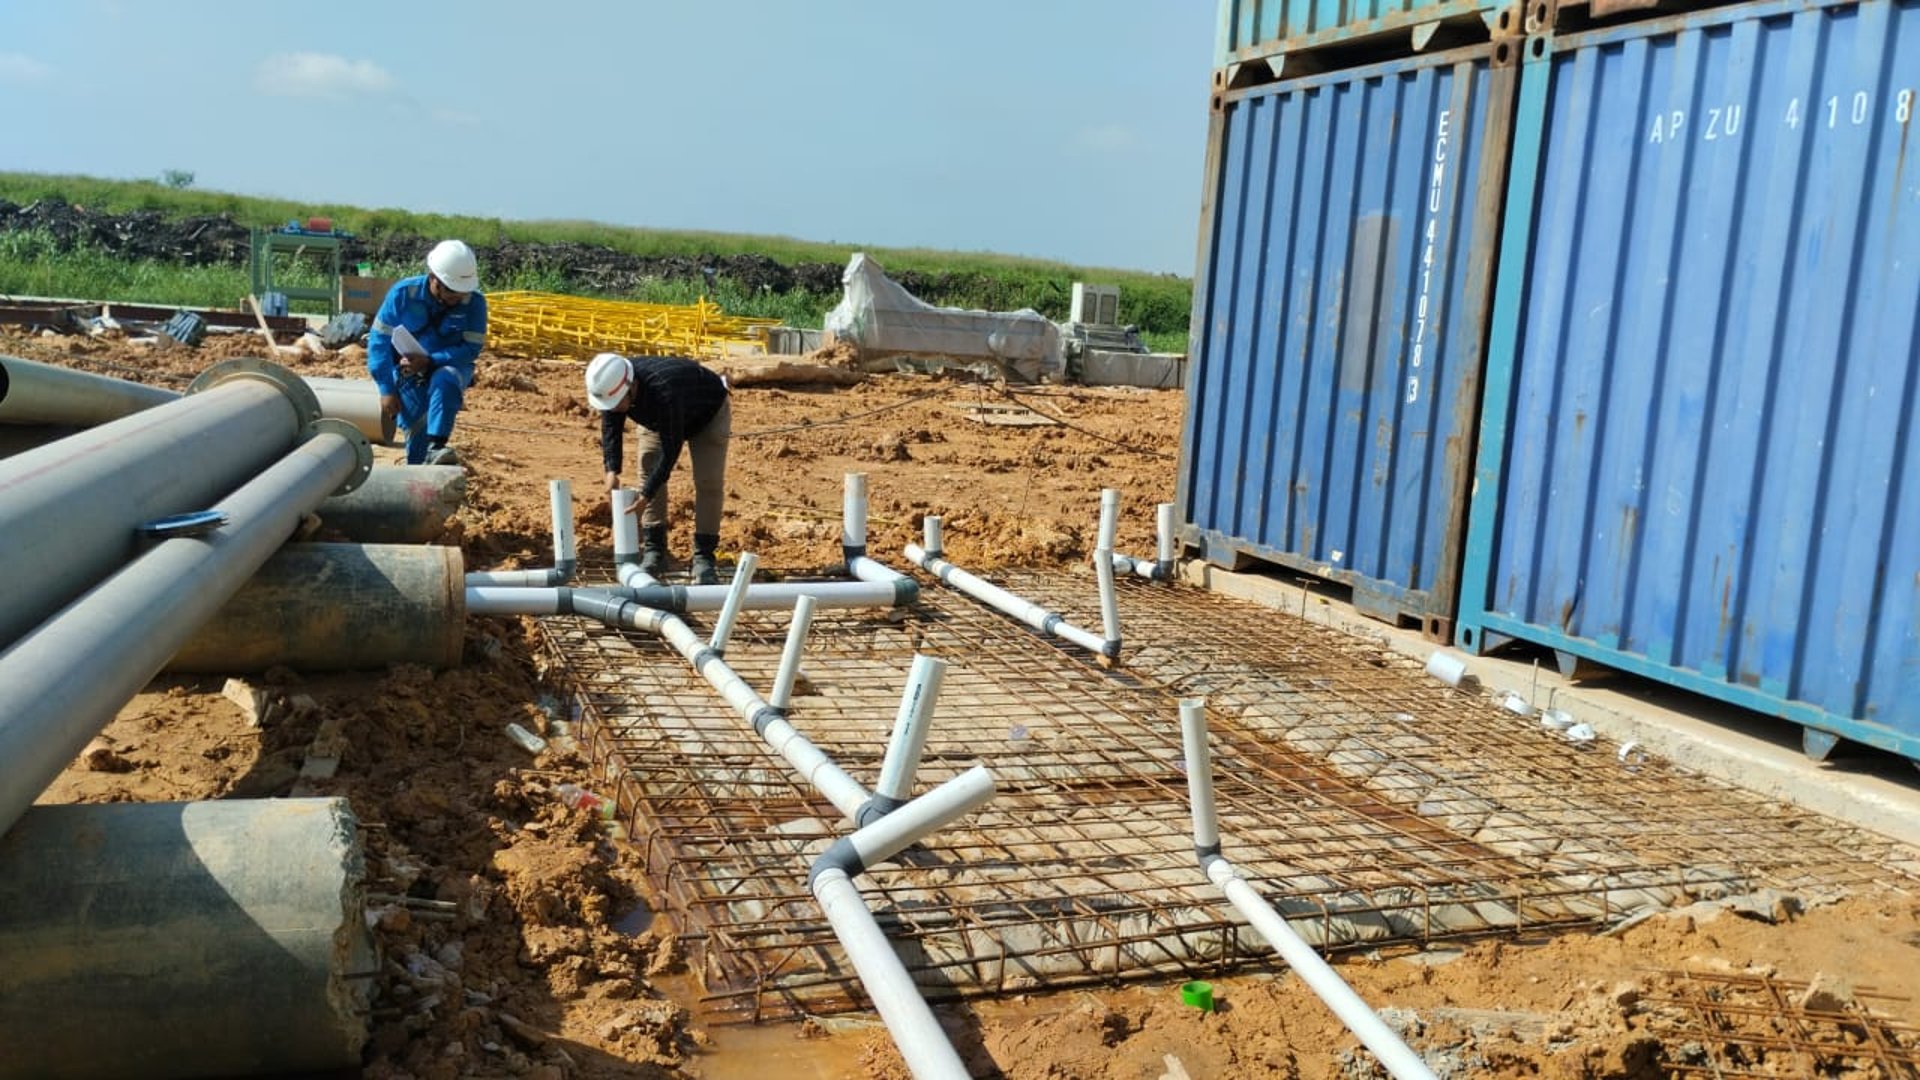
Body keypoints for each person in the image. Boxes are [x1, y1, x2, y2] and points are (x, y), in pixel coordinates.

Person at [585, 352, 732, 584]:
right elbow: (611, 427)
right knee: (648, 463)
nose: (611, 409)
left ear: (631, 387)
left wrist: (646, 495)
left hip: (707, 413)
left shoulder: (664, 390)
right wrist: (612, 470)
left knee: (708, 481)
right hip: (659, 415)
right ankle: (655, 550)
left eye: (615, 404)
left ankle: (704, 558)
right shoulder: (614, 386)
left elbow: (670, 450)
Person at [367, 240, 488, 465]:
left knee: (445, 379)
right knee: (416, 430)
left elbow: (470, 349)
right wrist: (386, 389)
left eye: (463, 291)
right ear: (434, 278)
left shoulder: (475, 304)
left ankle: (437, 446)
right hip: (409, 369)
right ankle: (418, 476)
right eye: (452, 291)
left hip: (451, 366)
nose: (458, 298)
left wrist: (431, 361)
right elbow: (378, 342)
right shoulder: (404, 294)